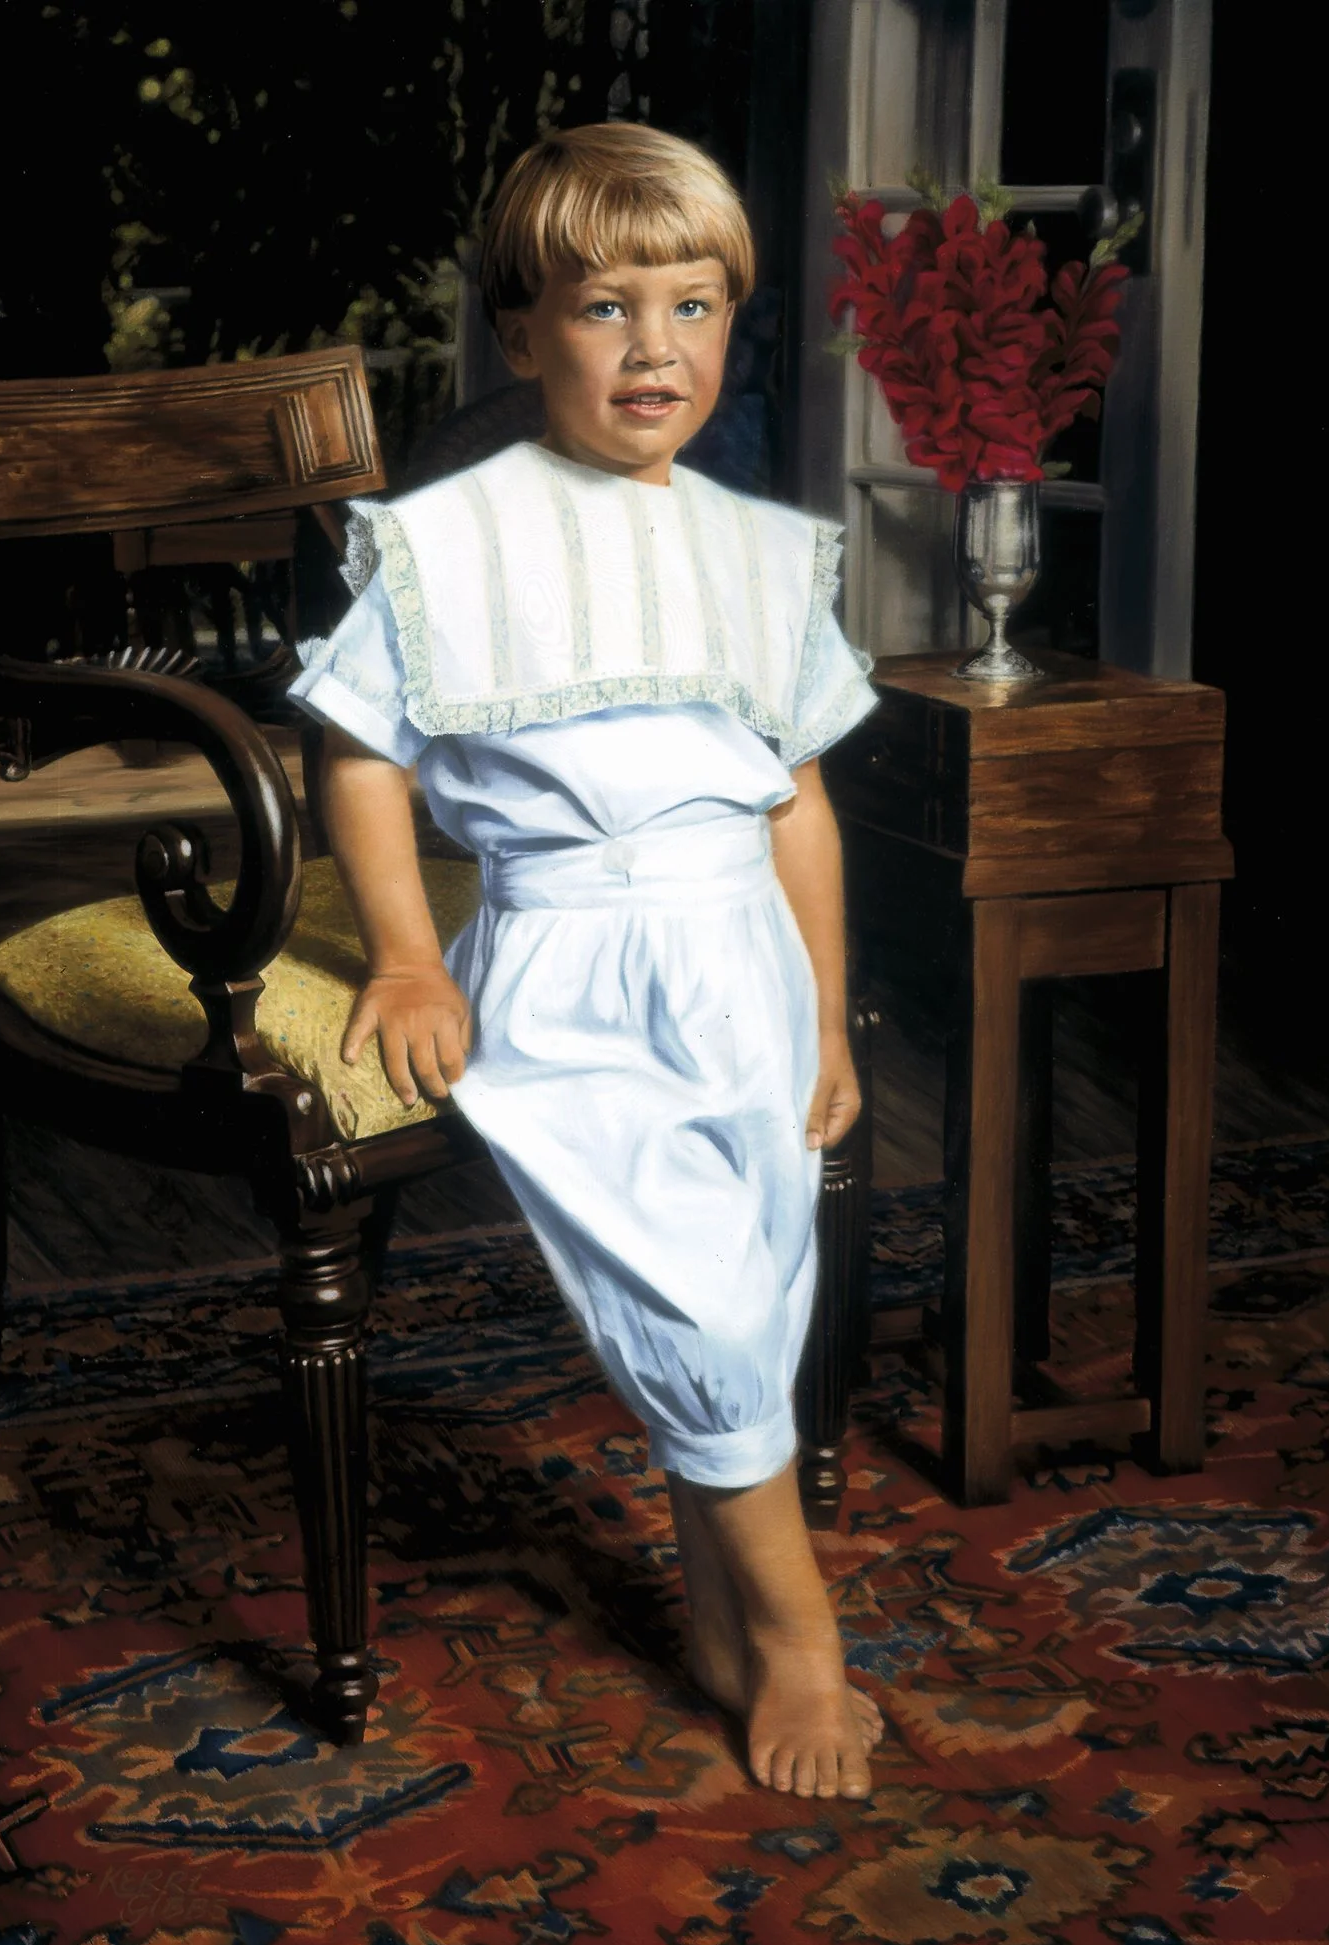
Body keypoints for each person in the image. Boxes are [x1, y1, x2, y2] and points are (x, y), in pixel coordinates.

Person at [291, 122, 881, 1800]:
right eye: (606, 308)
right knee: (692, 1297)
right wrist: (410, 956)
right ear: (521, 333)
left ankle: (715, 1604)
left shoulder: (757, 552)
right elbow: (359, 755)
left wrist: (826, 1015)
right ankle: (802, 1635)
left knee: (756, 1285)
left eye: (691, 307)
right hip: (569, 957)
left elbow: (798, 801)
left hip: (741, 959)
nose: (652, 348)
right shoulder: (450, 542)